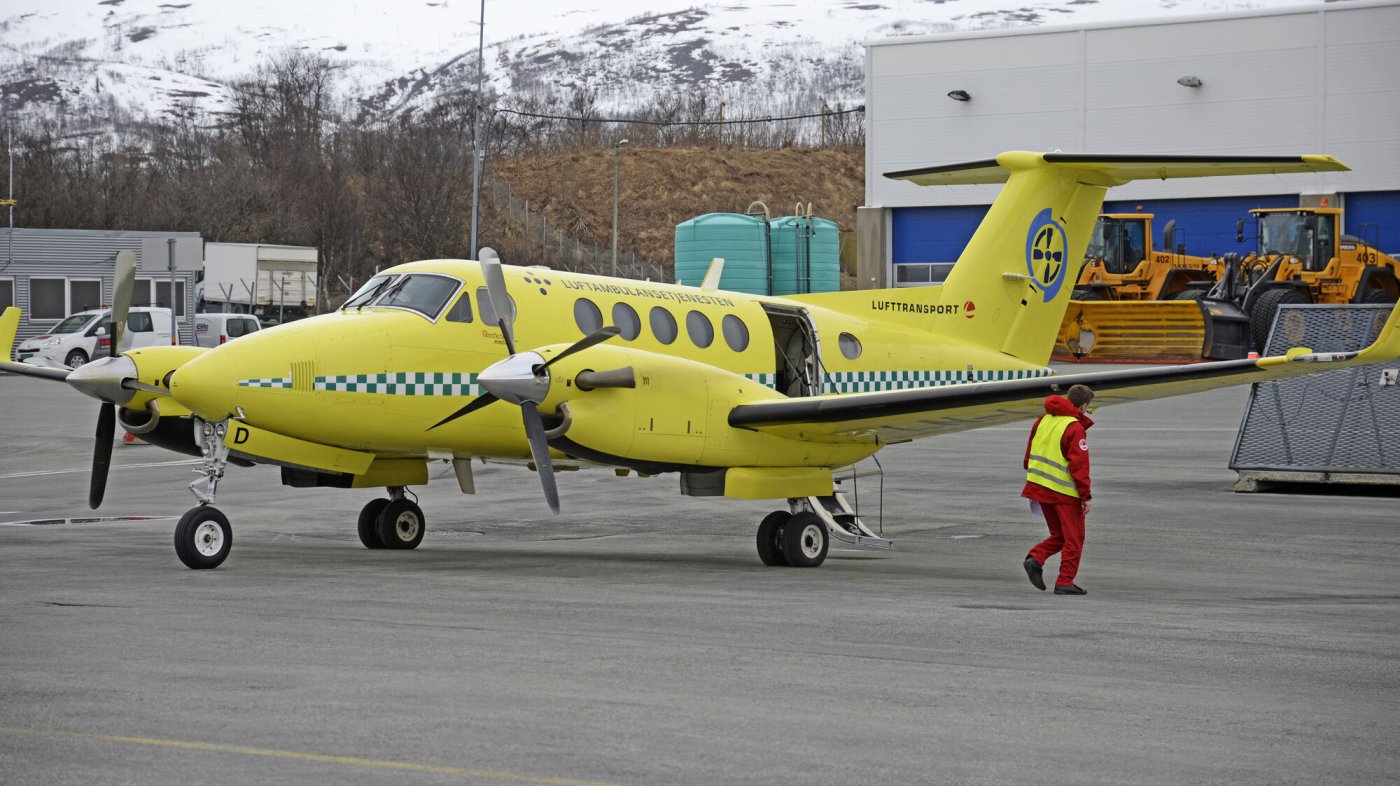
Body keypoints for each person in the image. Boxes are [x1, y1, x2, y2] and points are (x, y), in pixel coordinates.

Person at [1021, 384, 1095, 596]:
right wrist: (1085, 495)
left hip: (1039, 488)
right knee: (1074, 538)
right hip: (1064, 492)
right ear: (1082, 407)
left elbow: (1028, 457)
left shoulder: (1042, 420)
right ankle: (1065, 581)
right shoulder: (1073, 427)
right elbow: (1079, 466)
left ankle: (1035, 558)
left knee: (1060, 535)